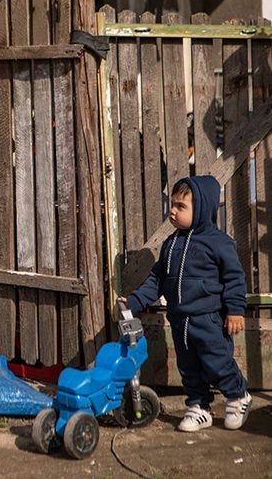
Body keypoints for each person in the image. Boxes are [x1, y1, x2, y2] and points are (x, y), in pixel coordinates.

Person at [120, 175, 252, 432]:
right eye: (172, 204)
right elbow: (157, 279)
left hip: (209, 319)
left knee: (217, 363)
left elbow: (235, 278)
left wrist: (235, 310)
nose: (173, 211)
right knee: (188, 367)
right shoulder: (171, 244)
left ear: (201, 209)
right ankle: (198, 407)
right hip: (180, 320)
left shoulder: (219, 243)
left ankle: (238, 396)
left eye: (181, 206)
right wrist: (135, 301)